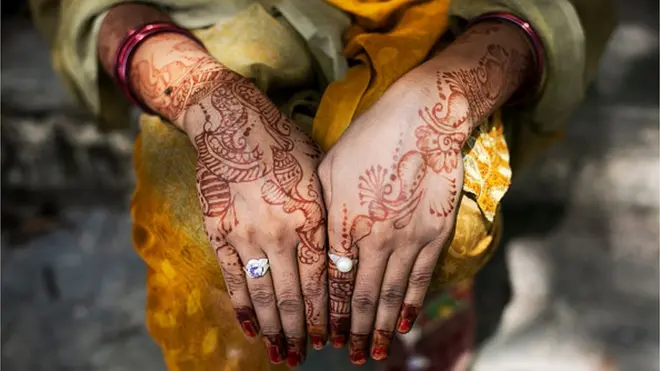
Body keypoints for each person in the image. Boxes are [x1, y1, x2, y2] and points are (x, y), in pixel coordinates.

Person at [29, 0, 615, 369]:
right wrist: (212, 102)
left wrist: (444, 97)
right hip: (222, 12)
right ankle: (282, 317)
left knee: (440, 218)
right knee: (208, 224)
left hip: (454, 13)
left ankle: (423, 298)